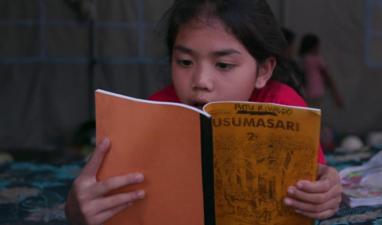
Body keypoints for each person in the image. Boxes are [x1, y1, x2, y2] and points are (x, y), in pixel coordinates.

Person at [65, 1, 342, 224]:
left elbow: (318, 177)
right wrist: (78, 210)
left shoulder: (284, 107)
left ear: (263, 70)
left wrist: (326, 190)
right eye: (185, 61)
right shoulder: (156, 110)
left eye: (223, 65)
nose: (200, 81)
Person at [299, 33, 344, 108]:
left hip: (305, 92)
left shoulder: (301, 59)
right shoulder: (317, 59)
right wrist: (336, 95)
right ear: (314, 46)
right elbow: (328, 77)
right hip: (316, 92)